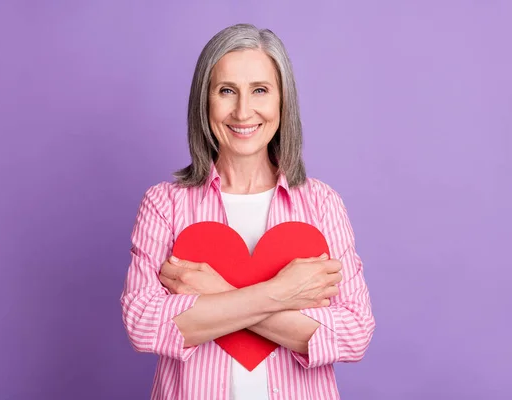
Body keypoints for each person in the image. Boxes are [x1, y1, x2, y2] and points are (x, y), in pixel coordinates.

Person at [120, 23, 375, 400]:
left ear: (281, 101)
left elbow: (354, 333)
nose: (243, 111)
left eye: (259, 90)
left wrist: (217, 295)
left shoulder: (322, 205)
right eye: (226, 91)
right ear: (204, 101)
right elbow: (143, 324)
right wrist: (282, 293)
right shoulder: (165, 204)